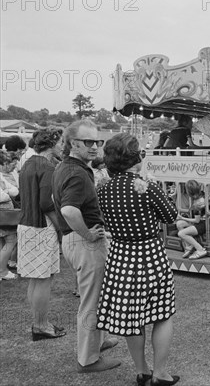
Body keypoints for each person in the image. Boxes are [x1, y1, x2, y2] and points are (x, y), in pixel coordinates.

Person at [97, 133, 179, 386]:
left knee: (133, 318)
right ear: (136, 158)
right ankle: (160, 373)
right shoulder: (146, 186)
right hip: (149, 254)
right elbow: (170, 216)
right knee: (162, 315)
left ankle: (142, 371)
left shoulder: (103, 190)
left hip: (120, 257)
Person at [51, 119, 120, 373]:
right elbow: (69, 209)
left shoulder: (66, 167)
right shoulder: (77, 173)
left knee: (96, 299)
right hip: (83, 242)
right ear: (72, 144)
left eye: (97, 142)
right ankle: (88, 359)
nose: (94, 147)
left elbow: (56, 201)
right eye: (88, 142)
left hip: (73, 240)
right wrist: (88, 235)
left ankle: (96, 344)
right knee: (91, 302)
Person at [16, 128, 67, 340]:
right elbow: (46, 203)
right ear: (52, 143)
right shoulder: (48, 167)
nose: (63, 146)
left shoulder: (28, 163)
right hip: (41, 227)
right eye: (61, 142)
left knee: (35, 280)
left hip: (26, 225)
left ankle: (38, 323)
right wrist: (62, 228)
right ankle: (41, 325)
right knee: (43, 279)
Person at [0, 150, 19, 280]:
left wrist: (6, 191)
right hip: (4, 215)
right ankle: (2, 271)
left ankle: (2, 270)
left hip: (5, 214)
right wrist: (7, 192)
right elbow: (5, 194)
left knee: (3, 242)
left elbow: (14, 190)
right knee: (10, 241)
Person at [176, 180, 207, 260]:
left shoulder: (198, 204)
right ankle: (189, 246)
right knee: (179, 224)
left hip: (202, 225)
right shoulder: (201, 195)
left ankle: (200, 249)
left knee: (181, 233)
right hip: (200, 222)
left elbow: (197, 221)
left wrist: (182, 217)